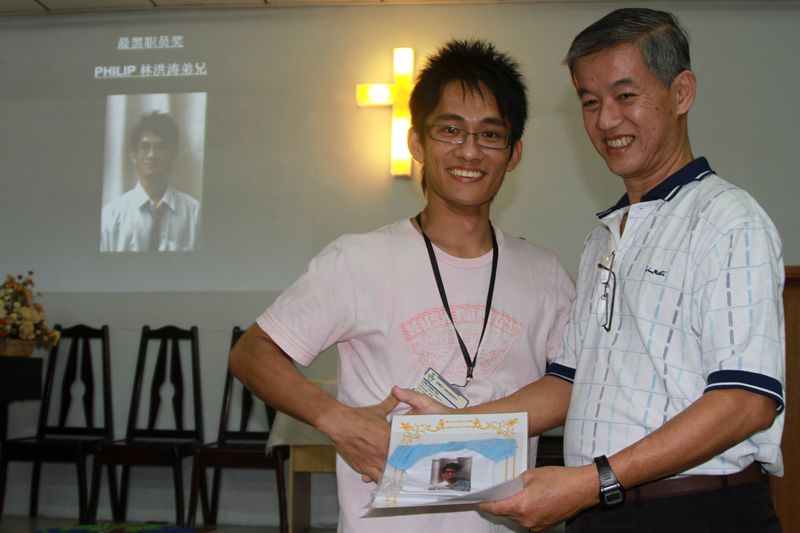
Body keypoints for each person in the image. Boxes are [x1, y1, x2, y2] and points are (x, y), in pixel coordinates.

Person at [394, 8, 785, 533]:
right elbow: (568, 383)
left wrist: (591, 482)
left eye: (625, 96)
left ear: (681, 92)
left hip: (694, 510)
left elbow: (747, 401)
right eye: (590, 101)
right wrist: (456, 427)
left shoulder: (726, 219)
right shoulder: (603, 238)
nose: (605, 121)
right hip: (602, 508)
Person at [229, 39, 575, 533]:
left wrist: (461, 424)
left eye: (490, 134)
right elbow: (251, 352)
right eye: (450, 130)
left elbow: (570, 386)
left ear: (513, 153)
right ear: (417, 143)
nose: (469, 150)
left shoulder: (545, 274)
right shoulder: (358, 260)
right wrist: (337, 420)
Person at [100, 111, 200, 252]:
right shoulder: (111, 216)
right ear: (133, 156)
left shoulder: (194, 214)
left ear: (173, 155)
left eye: (160, 147)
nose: (152, 155)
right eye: (145, 147)